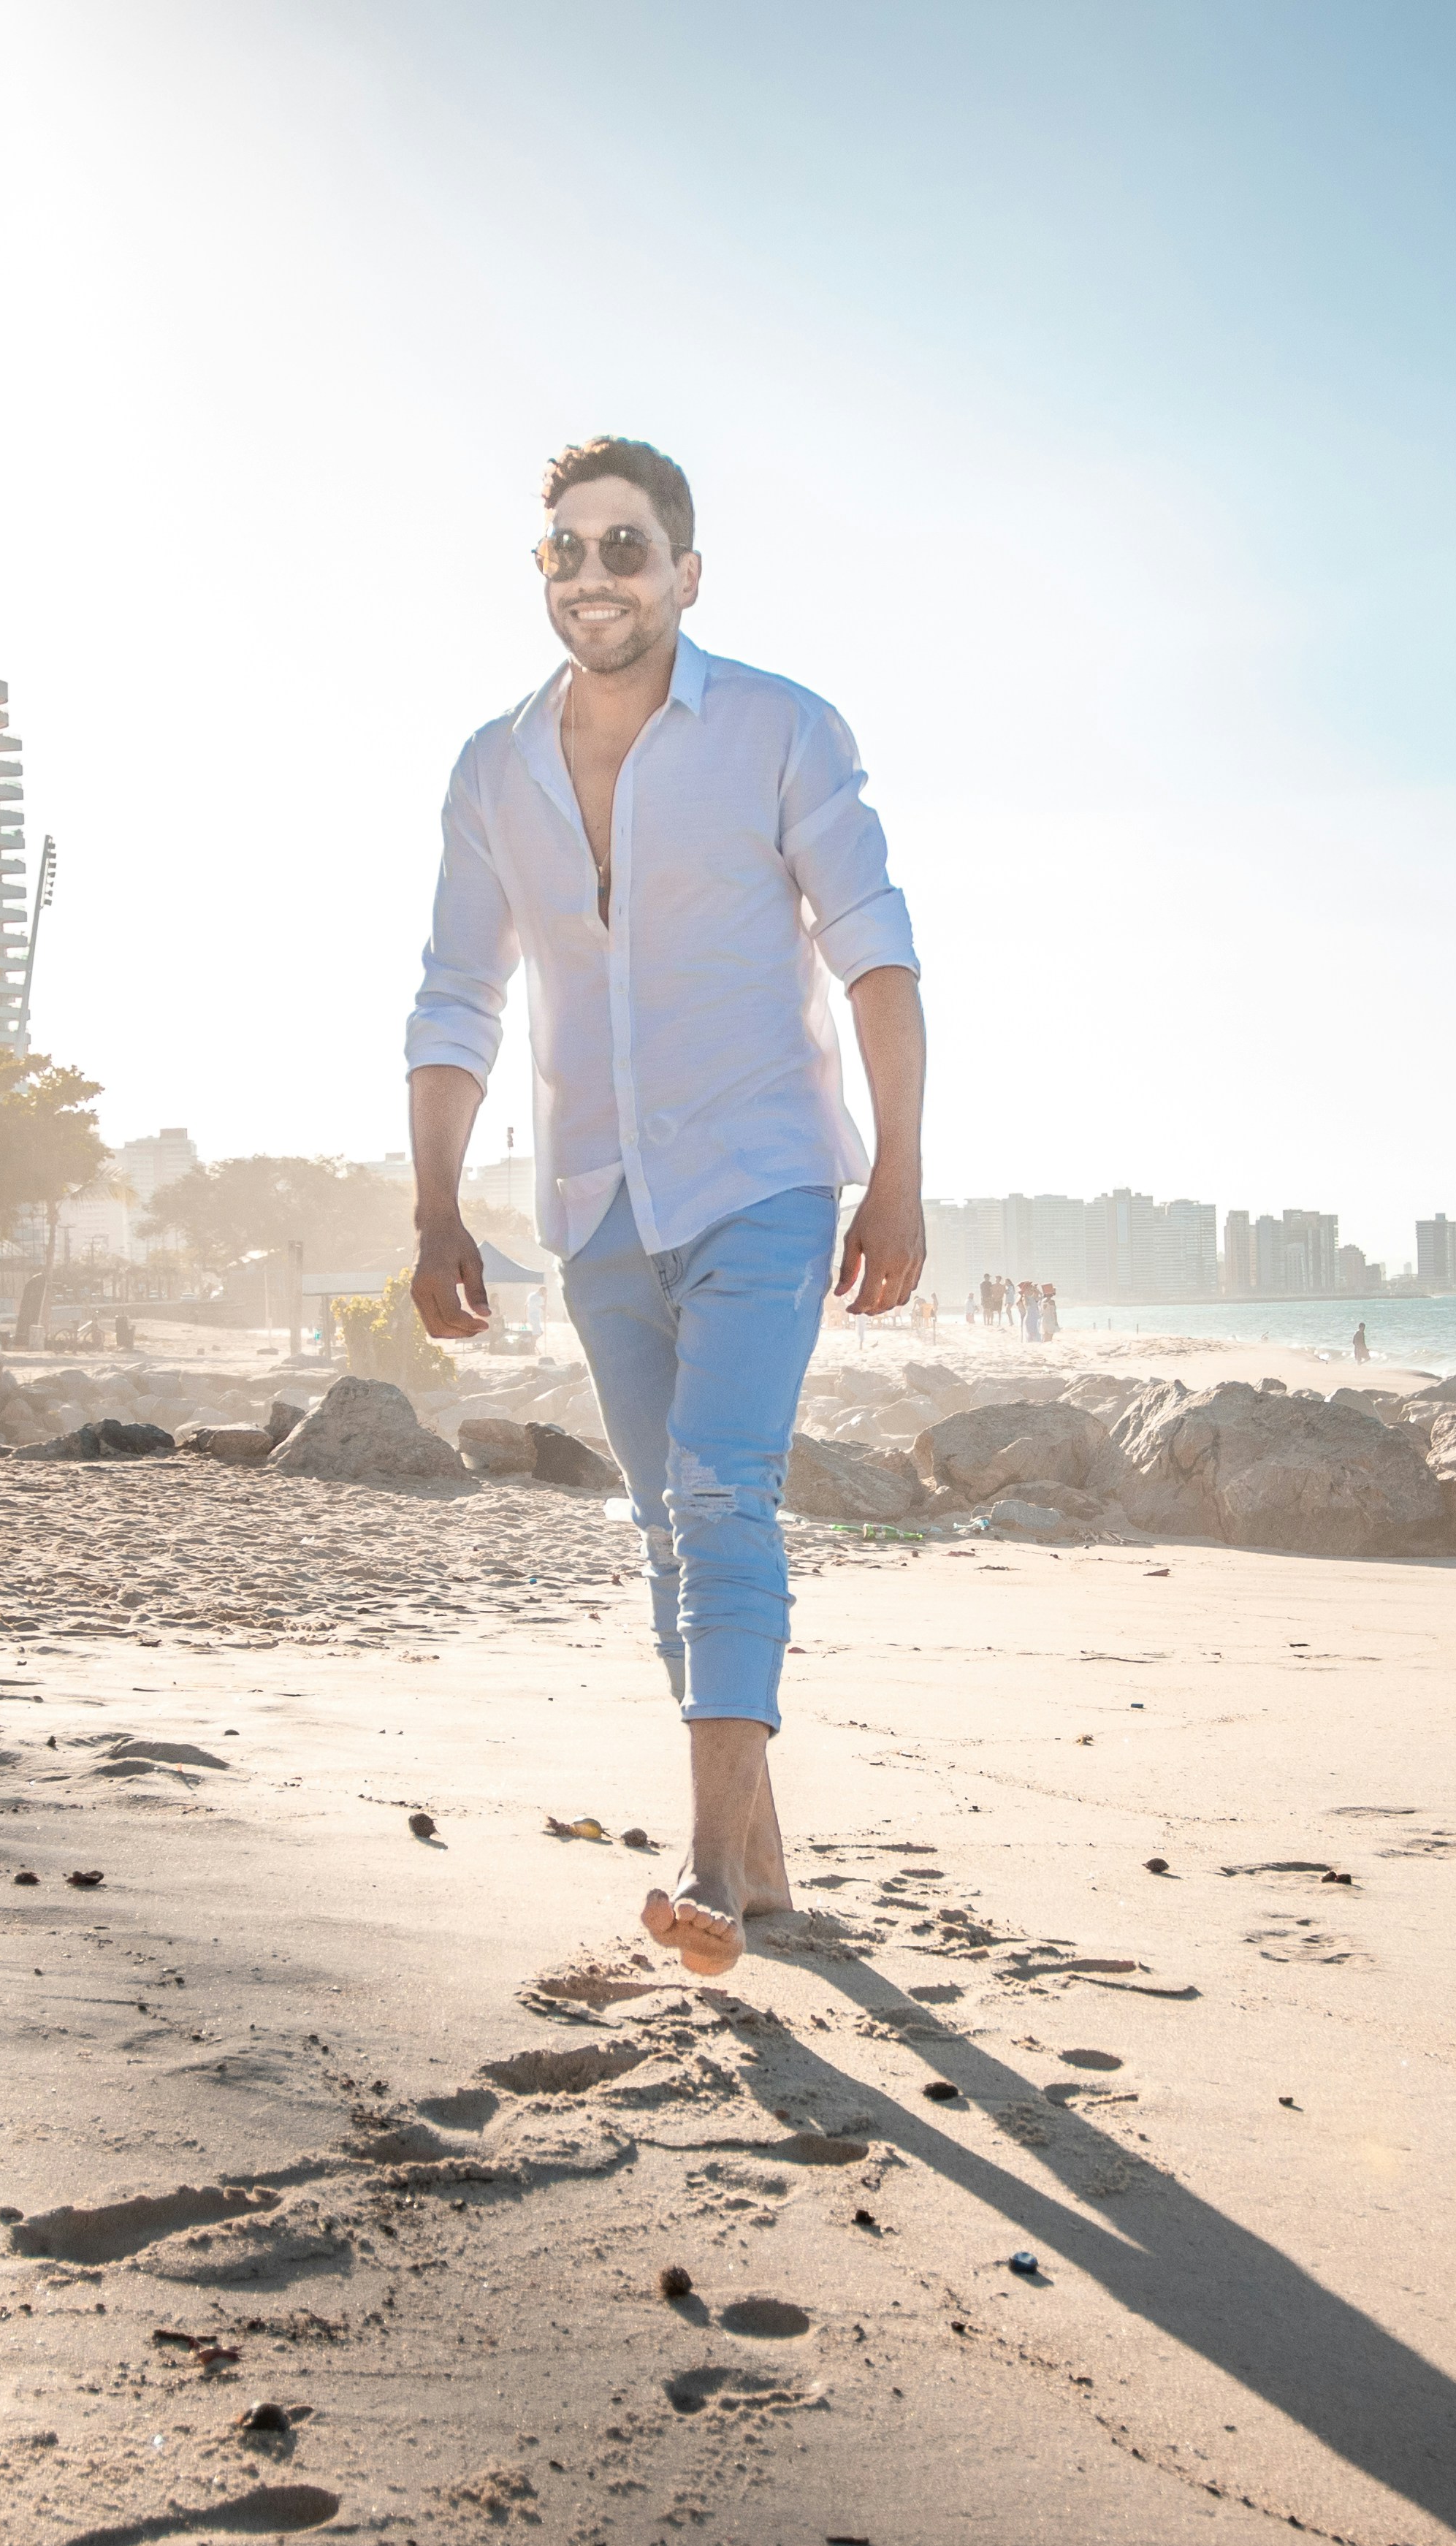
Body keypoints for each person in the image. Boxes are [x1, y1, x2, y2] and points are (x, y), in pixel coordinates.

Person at [405, 434, 926, 1978]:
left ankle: (703, 1858)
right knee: (660, 1523)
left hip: (765, 1170)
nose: (593, 576)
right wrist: (434, 1205)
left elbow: (876, 950)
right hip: (594, 1198)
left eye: (624, 548)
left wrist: (896, 1170)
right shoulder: (491, 769)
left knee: (717, 1491)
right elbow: (456, 993)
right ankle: (759, 1855)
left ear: (683, 573)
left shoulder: (779, 728)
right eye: (565, 550)